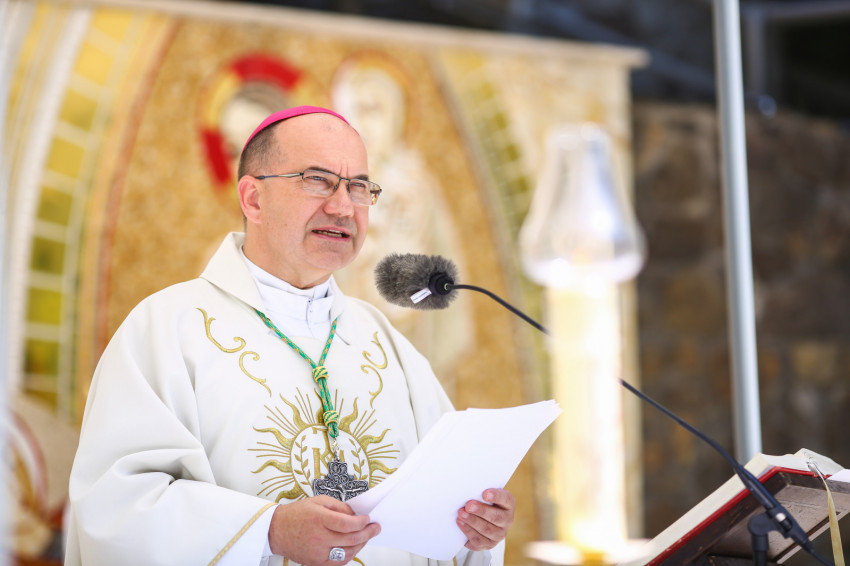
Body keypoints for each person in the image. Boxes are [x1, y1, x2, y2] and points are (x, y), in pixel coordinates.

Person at [66, 106, 515, 566]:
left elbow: (447, 496)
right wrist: (269, 530)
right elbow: (116, 508)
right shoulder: (168, 328)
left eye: (358, 187)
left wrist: (476, 525)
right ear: (253, 199)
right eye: (317, 180)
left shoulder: (385, 341)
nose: (343, 207)